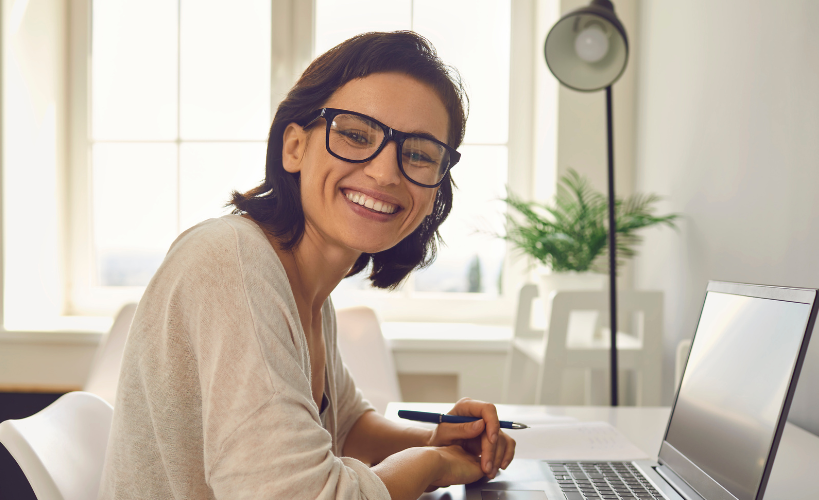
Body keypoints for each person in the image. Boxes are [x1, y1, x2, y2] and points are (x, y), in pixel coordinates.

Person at [98, 31, 517, 500]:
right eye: (356, 135)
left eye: (418, 154)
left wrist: (438, 439)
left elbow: (348, 427)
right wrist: (432, 463)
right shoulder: (232, 264)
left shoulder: (306, 287)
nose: (385, 173)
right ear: (294, 147)